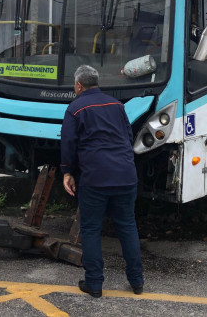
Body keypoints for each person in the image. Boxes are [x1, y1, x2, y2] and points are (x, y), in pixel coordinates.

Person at [60, 65, 144, 298]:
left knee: (90, 229)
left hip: (95, 178)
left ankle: (94, 284)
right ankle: (137, 282)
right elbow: (128, 137)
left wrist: (67, 172)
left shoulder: (75, 108)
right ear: (97, 82)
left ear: (78, 85)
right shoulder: (117, 106)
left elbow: (68, 143)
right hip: (126, 175)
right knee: (127, 226)